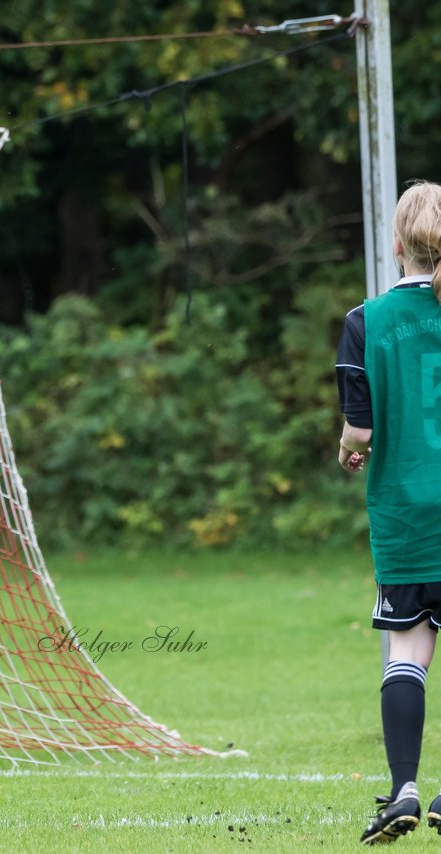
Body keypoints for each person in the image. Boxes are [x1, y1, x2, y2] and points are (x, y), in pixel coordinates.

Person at [337, 180, 441, 844]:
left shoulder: (365, 320)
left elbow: (360, 434)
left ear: (397, 243)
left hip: (405, 514)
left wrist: (349, 453)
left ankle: (404, 789)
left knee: (406, 650)